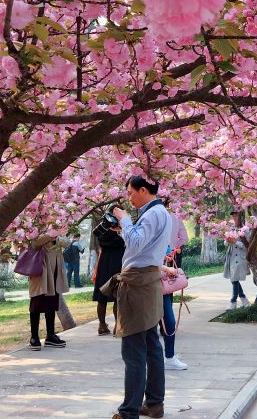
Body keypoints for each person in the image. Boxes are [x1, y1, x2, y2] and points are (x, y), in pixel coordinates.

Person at [105, 176, 172, 419]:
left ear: (144, 190)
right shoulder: (161, 212)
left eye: (131, 193)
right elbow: (140, 245)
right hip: (148, 282)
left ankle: (129, 411)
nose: (130, 199)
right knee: (152, 346)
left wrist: (124, 220)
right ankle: (154, 403)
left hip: (138, 284)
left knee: (133, 350)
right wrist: (124, 228)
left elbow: (134, 244)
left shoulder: (152, 214)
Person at [28, 234, 70, 351]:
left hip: (55, 271)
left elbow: (67, 243)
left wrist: (56, 237)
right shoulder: (35, 226)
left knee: (52, 304)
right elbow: (35, 243)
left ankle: (50, 336)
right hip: (40, 271)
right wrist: (51, 236)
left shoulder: (59, 225)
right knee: (36, 303)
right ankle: (34, 337)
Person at [160, 211, 189, 371]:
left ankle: (169, 356)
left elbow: (168, 251)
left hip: (160, 284)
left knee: (169, 321)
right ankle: (156, 357)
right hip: (145, 285)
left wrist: (168, 257)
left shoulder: (162, 237)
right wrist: (165, 266)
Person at [92, 223, 125, 336]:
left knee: (102, 296)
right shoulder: (121, 229)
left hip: (104, 263)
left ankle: (102, 325)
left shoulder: (102, 228)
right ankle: (117, 325)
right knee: (118, 295)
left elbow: (101, 241)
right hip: (118, 262)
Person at [223, 210, 250, 310]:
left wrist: (235, 242)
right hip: (231, 256)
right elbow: (225, 244)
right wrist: (227, 240)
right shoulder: (231, 228)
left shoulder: (246, 229)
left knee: (234, 279)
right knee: (234, 279)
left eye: (236, 216)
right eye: (233, 216)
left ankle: (233, 301)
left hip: (240, 258)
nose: (234, 218)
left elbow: (247, 246)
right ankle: (243, 299)